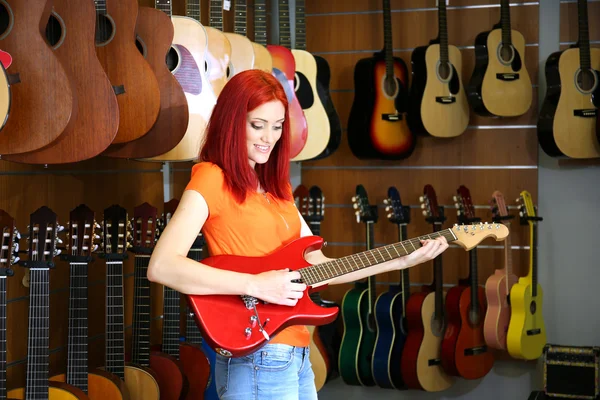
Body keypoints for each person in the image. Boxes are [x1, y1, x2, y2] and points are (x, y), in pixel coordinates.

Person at [147, 69, 449, 400]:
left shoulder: (277, 188)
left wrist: (399, 261)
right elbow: (161, 265)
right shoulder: (211, 178)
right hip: (258, 356)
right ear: (232, 123)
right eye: (257, 125)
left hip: (296, 352)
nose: (268, 137)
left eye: (277, 127)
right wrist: (256, 284)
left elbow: (322, 269)